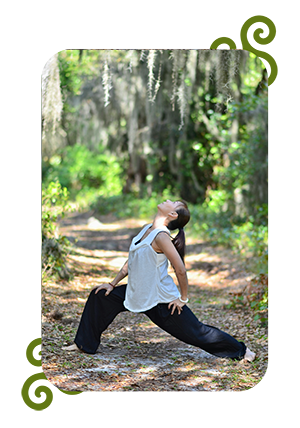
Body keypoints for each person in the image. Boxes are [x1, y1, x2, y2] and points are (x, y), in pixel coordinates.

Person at [63, 199, 255, 362]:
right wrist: (112, 284)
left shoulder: (162, 237)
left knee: (197, 332)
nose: (167, 200)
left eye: (173, 202)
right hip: (138, 291)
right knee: (100, 296)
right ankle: (83, 345)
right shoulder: (147, 229)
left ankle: (241, 351)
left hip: (160, 299)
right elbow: (132, 260)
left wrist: (183, 298)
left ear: (172, 214)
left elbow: (180, 269)